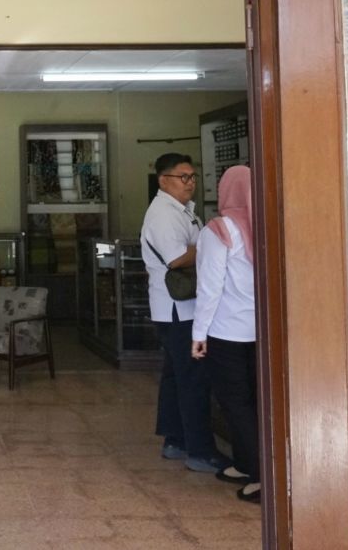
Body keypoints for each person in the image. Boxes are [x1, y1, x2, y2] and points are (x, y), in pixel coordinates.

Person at [141, 152, 228, 473]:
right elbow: (177, 258)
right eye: (183, 177)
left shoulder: (182, 210)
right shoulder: (163, 214)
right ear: (163, 180)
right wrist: (211, 247)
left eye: (192, 177)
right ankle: (200, 451)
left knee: (176, 377)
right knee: (193, 379)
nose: (190, 183)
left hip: (183, 308)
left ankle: (175, 440)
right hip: (177, 310)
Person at [192, 165, 261, 503]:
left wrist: (198, 334)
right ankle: (246, 463)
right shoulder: (264, 226)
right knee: (255, 400)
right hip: (260, 332)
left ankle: (260, 475)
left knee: (235, 403)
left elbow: (210, 288)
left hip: (227, 331)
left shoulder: (218, 231)